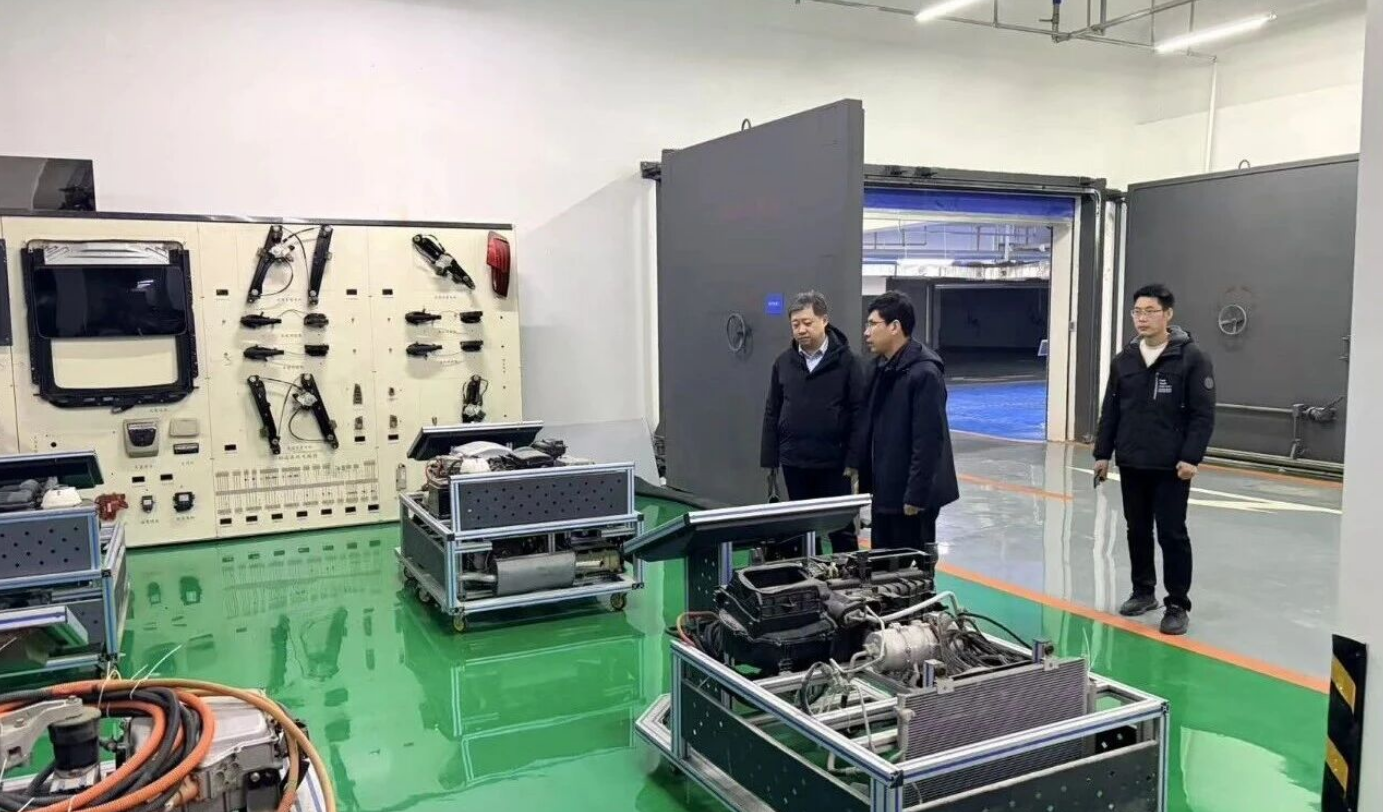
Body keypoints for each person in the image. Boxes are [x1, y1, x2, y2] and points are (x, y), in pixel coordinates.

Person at [1094, 283, 1215, 636]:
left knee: (1172, 534)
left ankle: (1177, 604)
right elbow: (1111, 410)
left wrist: (1191, 457)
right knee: (1137, 530)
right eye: (1137, 312)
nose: (1142, 318)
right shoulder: (1124, 360)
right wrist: (1103, 453)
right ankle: (1143, 591)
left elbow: (1202, 414)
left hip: (1171, 466)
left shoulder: (1191, 358)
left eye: (1150, 311)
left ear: (1168, 314)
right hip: (1132, 461)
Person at [760, 291, 865, 553]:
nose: (801, 330)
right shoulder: (783, 363)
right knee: (803, 529)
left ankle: (849, 573)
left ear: (824, 320)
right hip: (794, 461)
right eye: (795, 324)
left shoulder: (848, 362)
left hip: (834, 463)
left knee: (841, 529)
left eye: (807, 323)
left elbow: (859, 413)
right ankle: (809, 573)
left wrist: (854, 460)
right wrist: (770, 459)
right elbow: (772, 410)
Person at [857, 291, 958, 554]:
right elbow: (869, 423)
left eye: (872, 324)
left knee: (912, 568)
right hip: (885, 491)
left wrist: (916, 495)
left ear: (894, 327)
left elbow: (928, 441)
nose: (866, 332)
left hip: (911, 499)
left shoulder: (925, 374)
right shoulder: (879, 368)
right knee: (882, 564)